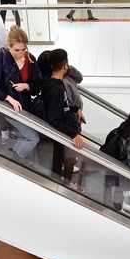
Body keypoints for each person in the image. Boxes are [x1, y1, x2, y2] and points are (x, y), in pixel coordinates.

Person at [0, 26, 42, 160]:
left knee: (28, 135)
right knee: (32, 138)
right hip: (8, 108)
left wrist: (26, 86)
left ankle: (18, 155)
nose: (21, 53)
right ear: (9, 46)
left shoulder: (30, 59)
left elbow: (38, 85)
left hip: (25, 107)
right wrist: (9, 98)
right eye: (16, 50)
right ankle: (13, 158)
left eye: (23, 49)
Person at [40, 49, 85, 178]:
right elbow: (54, 118)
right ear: (65, 65)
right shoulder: (56, 89)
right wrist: (73, 134)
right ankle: (63, 187)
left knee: (60, 158)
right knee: (65, 159)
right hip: (62, 130)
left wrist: (75, 109)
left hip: (64, 128)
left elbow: (61, 106)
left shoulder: (55, 84)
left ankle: (61, 184)